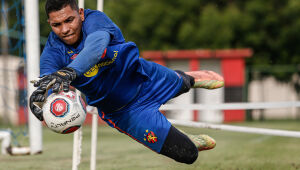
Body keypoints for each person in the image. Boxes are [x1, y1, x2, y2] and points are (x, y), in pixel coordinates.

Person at [29, 0, 224, 164]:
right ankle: (183, 138)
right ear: (49, 23)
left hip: (145, 76)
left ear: (80, 13)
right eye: (56, 25)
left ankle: (188, 77)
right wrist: (41, 103)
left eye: (69, 20)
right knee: (188, 154)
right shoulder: (52, 53)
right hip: (124, 112)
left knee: (183, 84)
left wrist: (69, 72)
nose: (64, 29)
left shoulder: (95, 20)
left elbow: (96, 48)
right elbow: (47, 83)